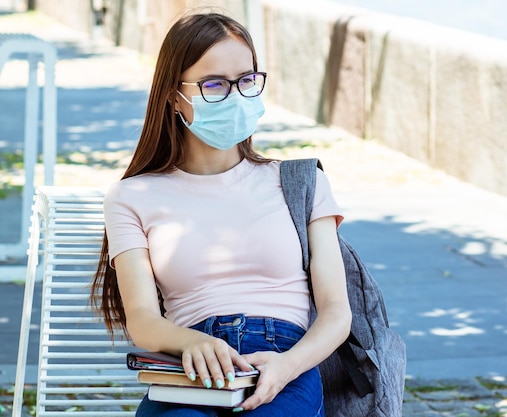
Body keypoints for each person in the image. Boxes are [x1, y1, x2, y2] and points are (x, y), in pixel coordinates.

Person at [90, 11, 351, 417]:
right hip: (190, 361)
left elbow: (337, 312)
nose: (235, 96)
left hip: (283, 359)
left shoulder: (301, 183)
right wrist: (192, 343)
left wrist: (287, 367)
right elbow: (141, 320)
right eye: (214, 84)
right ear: (174, 96)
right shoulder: (130, 197)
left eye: (246, 80)